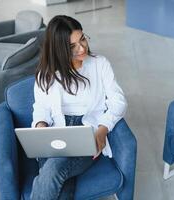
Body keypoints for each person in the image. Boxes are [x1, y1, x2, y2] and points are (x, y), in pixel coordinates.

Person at [30, 15, 127, 200]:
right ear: (59, 49)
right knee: (61, 183)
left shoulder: (100, 64)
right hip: (55, 133)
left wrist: (102, 130)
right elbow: (41, 107)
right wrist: (41, 127)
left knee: (52, 169)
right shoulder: (46, 74)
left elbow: (118, 100)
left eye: (82, 39)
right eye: (72, 46)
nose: (82, 48)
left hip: (87, 133)